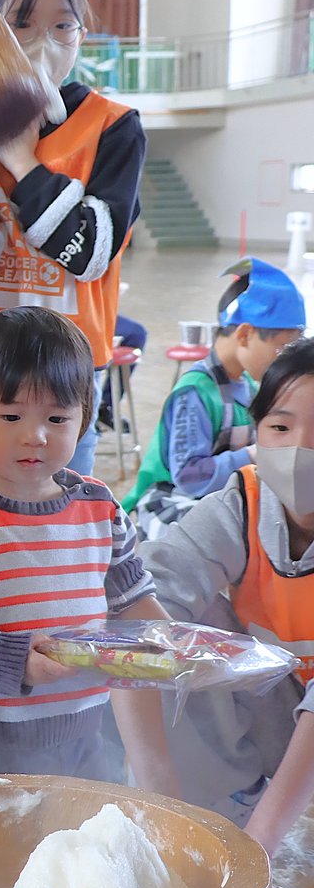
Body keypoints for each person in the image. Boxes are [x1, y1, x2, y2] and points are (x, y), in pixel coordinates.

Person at [0, 306, 180, 791]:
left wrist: (177, 644)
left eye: (57, 417)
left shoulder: (99, 506)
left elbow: (132, 598)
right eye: (11, 416)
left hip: (89, 724)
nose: (35, 436)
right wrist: (12, 661)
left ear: (84, 419)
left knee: (86, 829)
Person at [0, 0, 146, 477]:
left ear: (81, 32)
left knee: (60, 508)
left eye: (62, 25)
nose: (43, 42)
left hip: (68, 373)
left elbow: (90, 252)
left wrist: (22, 161)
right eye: (20, 24)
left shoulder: (113, 126)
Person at [139, 337, 314, 852]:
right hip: (278, 714)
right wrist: (154, 794)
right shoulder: (244, 501)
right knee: (169, 630)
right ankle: (225, 805)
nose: (300, 450)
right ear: (256, 432)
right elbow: (152, 588)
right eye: (280, 428)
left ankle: (261, 828)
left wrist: (259, 845)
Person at [126, 258, 306, 535]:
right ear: (244, 335)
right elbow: (189, 478)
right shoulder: (195, 392)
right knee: (222, 534)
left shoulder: (248, 384)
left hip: (221, 495)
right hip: (171, 498)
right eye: (282, 349)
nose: (285, 361)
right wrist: (253, 455)